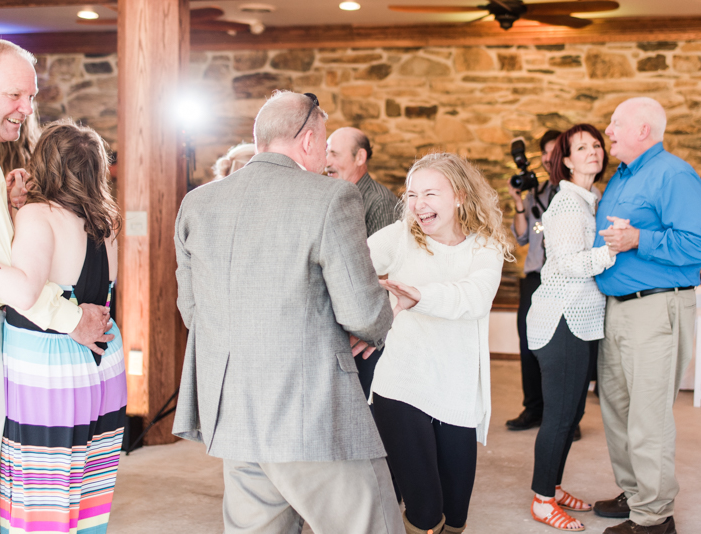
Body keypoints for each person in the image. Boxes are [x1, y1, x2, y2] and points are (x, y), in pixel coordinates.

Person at [172, 90, 403, 534]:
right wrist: (382, 314)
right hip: (312, 411)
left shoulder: (197, 203)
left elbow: (192, 310)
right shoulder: (332, 198)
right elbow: (363, 313)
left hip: (234, 412)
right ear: (309, 141)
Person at [0, 38, 112, 529]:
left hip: (42, 360)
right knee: (70, 484)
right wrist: (69, 317)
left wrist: (12, 206)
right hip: (80, 361)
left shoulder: (32, 208)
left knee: (38, 488)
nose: (27, 108)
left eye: (31, 96)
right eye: (15, 95)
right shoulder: (98, 221)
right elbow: (17, 285)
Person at [368, 153, 512, 534]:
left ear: (460, 196)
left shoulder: (485, 247)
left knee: (456, 514)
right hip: (401, 383)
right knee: (426, 511)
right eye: (412, 194)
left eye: (430, 193)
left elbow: (475, 297)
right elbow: (348, 266)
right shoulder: (400, 236)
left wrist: (419, 296)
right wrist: (363, 321)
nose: (418, 205)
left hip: (457, 391)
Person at [593, 97, 701, 534]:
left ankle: (654, 518)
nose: (607, 132)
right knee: (618, 411)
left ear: (643, 130)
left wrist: (638, 239)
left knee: (648, 416)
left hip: (657, 306)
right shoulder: (621, 178)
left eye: (615, 124)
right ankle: (636, 494)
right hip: (617, 308)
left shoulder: (674, 174)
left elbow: (699, 245)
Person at [526, 124, 616, 532]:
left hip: (580, 320)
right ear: (566, 160)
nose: (593, 151)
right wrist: (611, 249)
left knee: (573, 411)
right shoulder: (565, 205)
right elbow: (567, 263)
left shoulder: (589, 200)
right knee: (560, 415)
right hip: (561, 319)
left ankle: (554, 485)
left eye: (596, 145)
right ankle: (543, 500)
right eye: (582, 147)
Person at [507, 130, 600, 441]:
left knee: (571, 352)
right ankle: (534, 407)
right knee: (530, 345)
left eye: (552, 152)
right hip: (536, 275)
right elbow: (521, 237)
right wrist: (519, 203)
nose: (547, 159)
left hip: (571, 279)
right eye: (544, 154)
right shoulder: (535, 192)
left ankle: (566, 416)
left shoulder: (577, 194)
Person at [325, 126, 400, 398]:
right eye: (325, 153)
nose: (327, 162)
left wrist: (365, 331)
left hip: (365, 332)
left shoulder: (379, 202)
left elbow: (383, 276)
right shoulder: (335, 196)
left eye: (334, 154)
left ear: (360, 157)